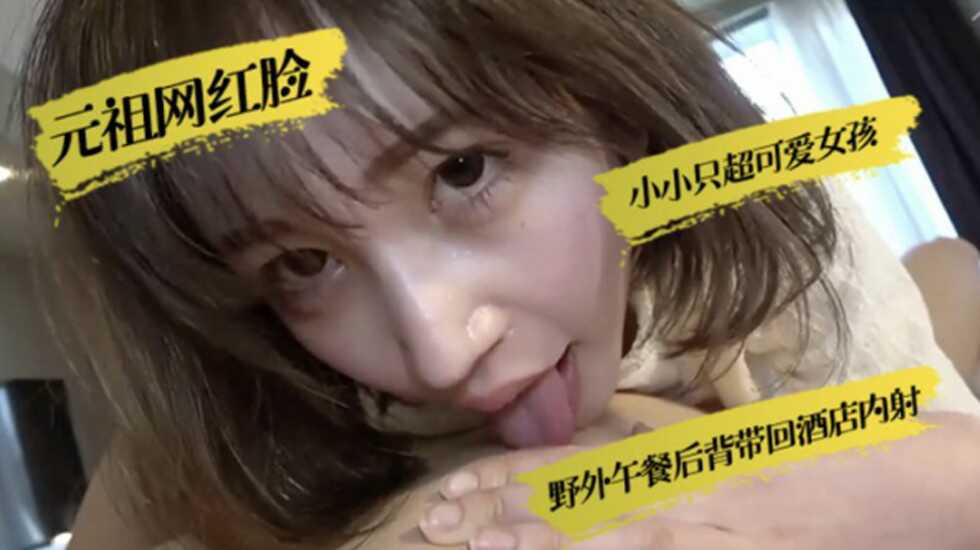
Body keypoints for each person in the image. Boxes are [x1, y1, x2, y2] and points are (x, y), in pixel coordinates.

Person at [16, 1, 980, 549]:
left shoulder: (765, 216)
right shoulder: (227, 423)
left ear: (614, 111)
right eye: (304, 264)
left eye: (463, 171)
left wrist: (725, 491)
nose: (441, 352)